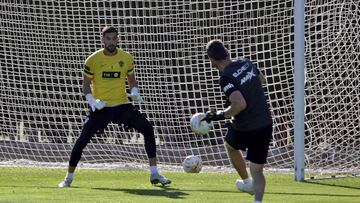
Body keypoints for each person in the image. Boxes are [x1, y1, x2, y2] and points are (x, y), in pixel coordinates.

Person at [58, 26, 171, 188]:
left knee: (147, 128)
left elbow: (132, 80)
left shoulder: (126, 57)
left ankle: (154, 173)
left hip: (122, 106)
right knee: (81, 140)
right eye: (108, 38)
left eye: (114, 38)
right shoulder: (92, 60)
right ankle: (68, 178)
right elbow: (86, 85)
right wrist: (92, 101)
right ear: (102, 40)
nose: (111, 42)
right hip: (101, 108)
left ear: (118, 39)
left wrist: (135, 92)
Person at [201, 40, 272, 203]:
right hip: (265, 124)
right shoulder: (246, 62)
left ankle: (247, 183)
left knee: (230, 146)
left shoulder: (226, 77)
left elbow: (239, 104)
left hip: (246, 127)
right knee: (257, 171)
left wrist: (219, 115)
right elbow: (263, 80)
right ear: (227, 51)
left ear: (211, 59)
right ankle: (257, 200)